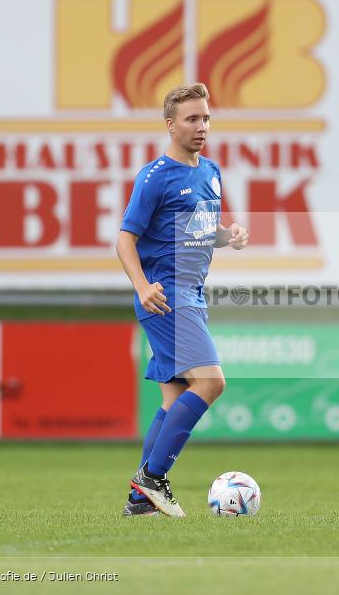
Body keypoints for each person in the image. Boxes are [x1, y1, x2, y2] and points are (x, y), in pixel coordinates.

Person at [116, 83, 248, 517]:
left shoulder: (210, 171)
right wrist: (141, 285)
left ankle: (140, 500)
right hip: (166, 297)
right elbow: (125, 240)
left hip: (192, 295)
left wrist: (228, 236)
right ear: (170, 125)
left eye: (206, 118)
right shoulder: (155, 176)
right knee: (211, 383)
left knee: (173, 401)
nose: (201, 126)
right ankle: (152, 479)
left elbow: (199, 230)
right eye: (192, 119)